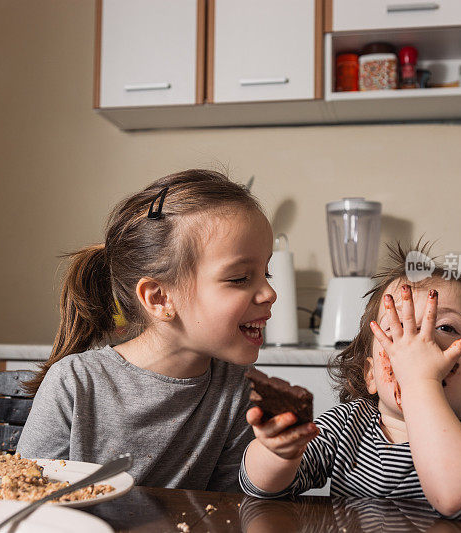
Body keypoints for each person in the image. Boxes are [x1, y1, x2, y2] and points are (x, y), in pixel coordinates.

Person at [17, 169, 276, 492]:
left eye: (267, 273)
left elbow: (229, 509)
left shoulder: (237, 388)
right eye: (240, 278)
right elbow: (27, 500)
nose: (269, 293)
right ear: (159, 298)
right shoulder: (75, 383)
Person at [241, 242, 461, 519]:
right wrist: (278, 454)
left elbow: (458, 499)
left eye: (445, 327)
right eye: (397, 328)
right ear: (371, 374)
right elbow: (261, 488)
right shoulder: (347, 426)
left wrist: (420, 382)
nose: (418, 341)